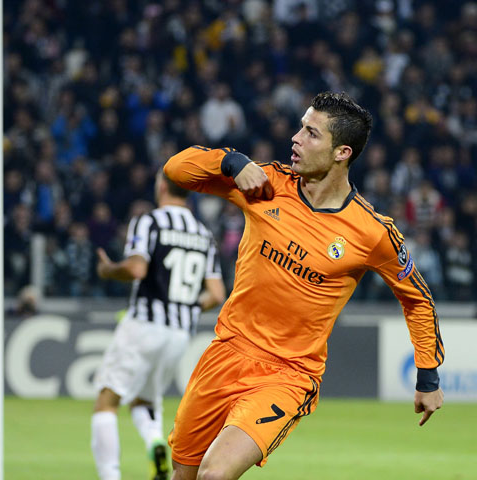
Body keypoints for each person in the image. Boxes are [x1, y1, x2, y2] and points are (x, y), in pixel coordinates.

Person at [163, 91, 445, 480]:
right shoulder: (267, 184)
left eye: (311, 133)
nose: (296, 139)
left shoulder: (372, 232)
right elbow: (176, 170)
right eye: (300, 128)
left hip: (288, 374)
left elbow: (418, 300)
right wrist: (232, 161)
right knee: (183, 475)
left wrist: (428, 375)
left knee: (214, 475)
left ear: (342, 152)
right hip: (225, 353)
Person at [91, 170, 226, 480]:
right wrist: (185, 307)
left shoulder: (148, 221)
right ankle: (155, 442)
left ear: (162, 186)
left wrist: (108, 269)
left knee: (107, 401)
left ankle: (110, 475)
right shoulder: (203, 233)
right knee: (146, 399)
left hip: (145, 324)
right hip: (179, 334)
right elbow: (217, 293)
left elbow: (137, 269)